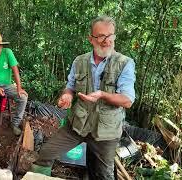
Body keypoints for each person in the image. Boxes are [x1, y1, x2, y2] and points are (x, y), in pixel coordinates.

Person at [31, 16, 136, 180]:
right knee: (46, 152)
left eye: (111, 35)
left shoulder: (124, 63)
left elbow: (127, 100)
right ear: (91, 39)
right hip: (78, 124)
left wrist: (102, 95)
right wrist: (66, 95)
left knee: (103, 175)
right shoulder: (79, 61)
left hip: (106, 131)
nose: (107, 41)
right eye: (101, 36)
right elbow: (70, 86)